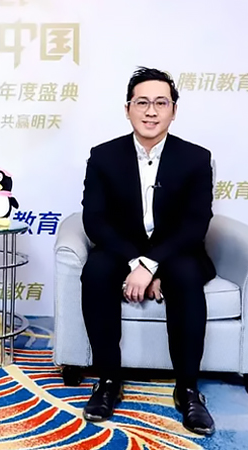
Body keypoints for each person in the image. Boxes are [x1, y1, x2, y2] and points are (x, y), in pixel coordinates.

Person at [79, 67, 216, 435]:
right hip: (122, 249)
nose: (151, 111)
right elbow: (94, 219)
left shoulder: (196, 158)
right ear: (127, 109)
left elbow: (196, 223)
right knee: (95, 272)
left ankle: (188, 390)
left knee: (185, 276)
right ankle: (108, 381)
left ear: (174, 110)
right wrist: (135, 262)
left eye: (161, 103)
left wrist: (153, 264)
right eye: (142, 102)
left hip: (176, 250)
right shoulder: (103, 156)